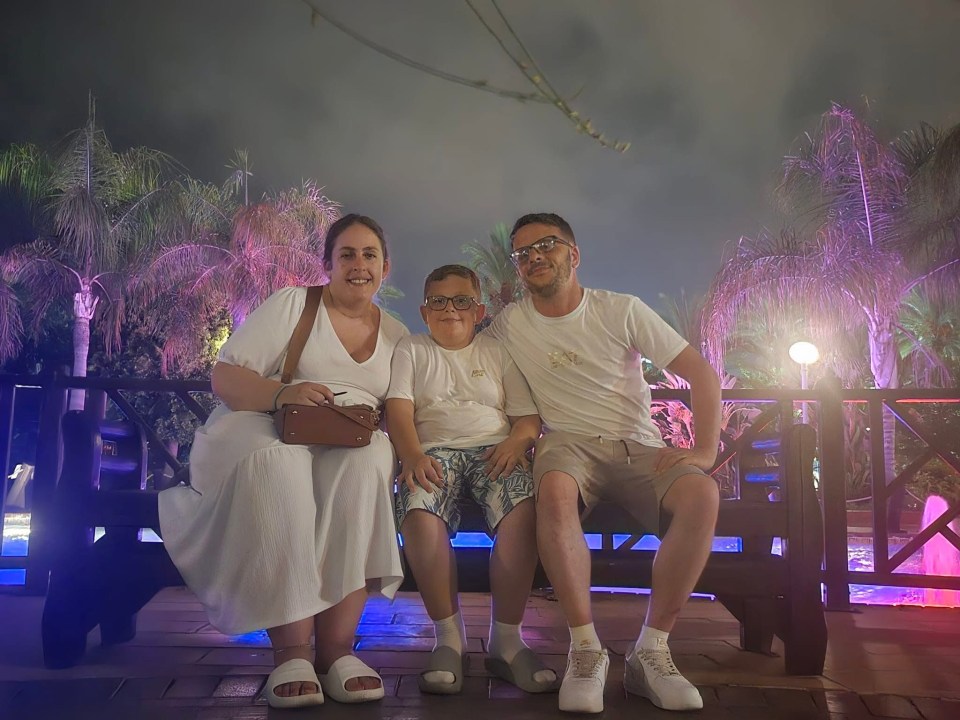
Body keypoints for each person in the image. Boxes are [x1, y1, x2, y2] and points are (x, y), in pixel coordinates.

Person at [159, 214, 408, 709]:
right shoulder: (295, 304)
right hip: (265, 424)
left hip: (346, 439)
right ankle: (292, 651)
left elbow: (400, 407)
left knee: (370, 463)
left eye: (369, 255)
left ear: (386, 267)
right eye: (347, 254)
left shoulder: (399, 334)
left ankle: (337, 649)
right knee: (281, 469)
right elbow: (227, 378)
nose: (359, 265)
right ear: (328, 263)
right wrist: (284, 393)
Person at [486, 213, 721, 714]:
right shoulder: (509, 325)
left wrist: (705, 452)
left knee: (702, 493)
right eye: (522, 253)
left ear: (574, 254)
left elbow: (700, 373)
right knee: (551, 487)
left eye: (545, 245)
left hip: (639, 445)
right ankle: (585, 649)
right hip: (567, 442)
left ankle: (651, 653)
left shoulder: (620, 310)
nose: (533, 258)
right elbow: (465, 355)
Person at [385, 264, 559, 695]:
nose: (451, 309)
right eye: (439, 301)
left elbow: (526, 419)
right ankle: (448, 638)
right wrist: (410, 455)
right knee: (420, 515)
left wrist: (517, 444)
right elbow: (399, 411)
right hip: (433, 454)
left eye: (462, 300)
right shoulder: (412, 348)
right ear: (425, 311)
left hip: (494, 451)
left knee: (523, 512)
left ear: (478, 309)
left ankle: (507, 641)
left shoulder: (497, 351)